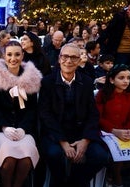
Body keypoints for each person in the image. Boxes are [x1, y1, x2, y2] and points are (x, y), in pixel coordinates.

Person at [38, 43, 109, 186]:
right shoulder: (47, 82)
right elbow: (45, 115)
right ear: (59, 59)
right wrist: (63, 142)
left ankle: (76, 182)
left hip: (80, 133)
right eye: (65, 56)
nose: (69, 61)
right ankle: (59, 181)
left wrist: (85, 140)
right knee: (54, 154)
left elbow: (92, 114)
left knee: (100, 156)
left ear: (79, 61)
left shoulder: (87, 82)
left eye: (73, 57)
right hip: (55, 133)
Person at [0, 41, 42, 187]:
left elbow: (32, 110)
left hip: (25, 130)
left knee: (26, 159)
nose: (13, 58)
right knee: (8, 159)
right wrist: (4, 127)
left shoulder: (31, 79)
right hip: (1, 129)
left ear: (22, 55)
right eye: (9, 54)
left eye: (17, 54)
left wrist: (23, 128)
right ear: (4, 56)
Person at [95, 64, 130, 187]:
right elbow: (98, 118)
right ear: (112, 80)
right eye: (121, 78)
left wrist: (128, 131)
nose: (126, 81)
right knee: (117, 156)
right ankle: (117, 182)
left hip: (126, 134)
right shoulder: (102, 95)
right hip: (105, 133)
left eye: (128, 78)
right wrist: (114, 131)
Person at [98, 0, 130, 65]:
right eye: (128, 10)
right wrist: (98, 43)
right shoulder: (119, 17)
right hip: (120, 52)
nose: (129, 12)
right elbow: (108, 31)